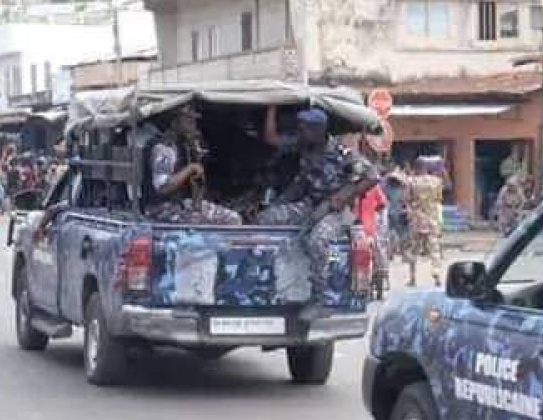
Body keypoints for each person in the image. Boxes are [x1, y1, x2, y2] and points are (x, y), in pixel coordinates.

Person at [258, 106, 378, 306]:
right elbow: (272, 139)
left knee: (317, 240)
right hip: (311, 205)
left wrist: (344, 195)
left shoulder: (341, 152)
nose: (300, 132)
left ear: (318, 130)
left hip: (337, 212)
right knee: (266, 218)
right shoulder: (305, 146)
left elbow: (372, 176)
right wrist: (271, 106)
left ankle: (318, 297)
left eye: (303, 128)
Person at [144, 106, 243, 226]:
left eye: (193, 121)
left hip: (179, 203)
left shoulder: (182, 144)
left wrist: (193, 149)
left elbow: (196, 184)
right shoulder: (164, 148)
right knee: (232, 219)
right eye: (188, 121)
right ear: (174, 123)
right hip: (160, 209)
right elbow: (163, 187)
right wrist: (190, 168)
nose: (193, 125)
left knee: (232, 215)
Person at [404, 157, 445, 287]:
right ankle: (436, 274)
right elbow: (439, 199)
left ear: (416, 168)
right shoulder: (437, 181)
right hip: (432, 219)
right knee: (434, 249)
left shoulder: (411, 182)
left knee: (414, 249)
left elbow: (407, 200)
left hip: (417, 220)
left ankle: (412, 277)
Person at [494, 172, 529, 236]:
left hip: (516, 207)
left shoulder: (519, 190)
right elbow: (500, 199)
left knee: (516, 222)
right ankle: (504, 233)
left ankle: (514, 234)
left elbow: (523, 201)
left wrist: (518, 209)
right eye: (510, 185)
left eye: (512, 185)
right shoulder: (504, 190)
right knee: (503, 221)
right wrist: (501, 208)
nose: (511, 187)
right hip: (506, 208)